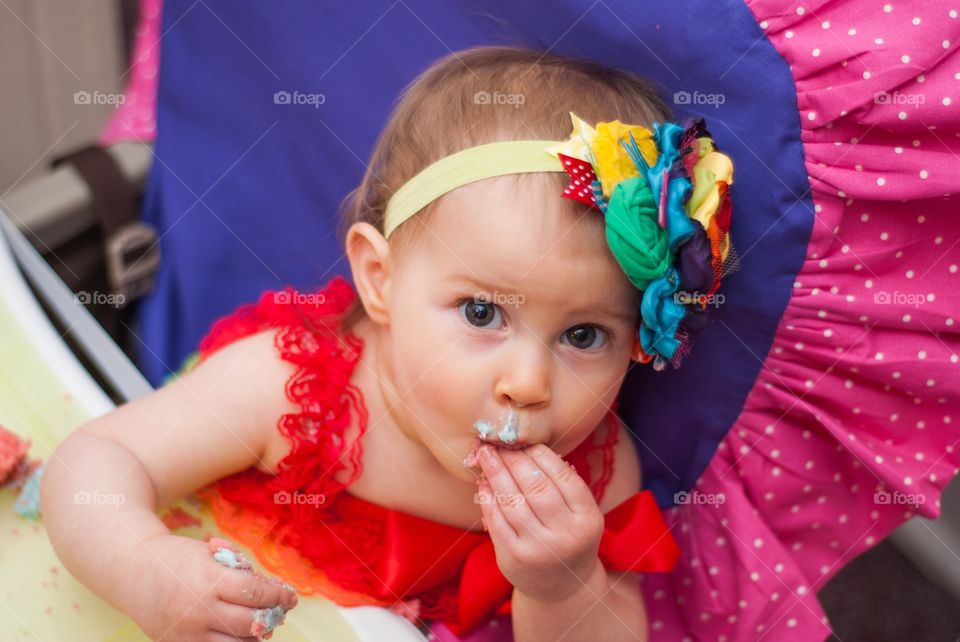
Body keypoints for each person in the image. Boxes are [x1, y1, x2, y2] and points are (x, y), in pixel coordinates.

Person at [41, 45, 735, 641]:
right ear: (381, 279)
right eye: (482, 312)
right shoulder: (295, 391)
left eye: (584, 335)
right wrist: (142, 567)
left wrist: (563, 584)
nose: (526, 382)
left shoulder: (594, 472)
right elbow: (97, 461)